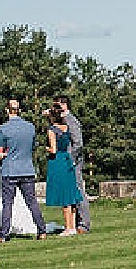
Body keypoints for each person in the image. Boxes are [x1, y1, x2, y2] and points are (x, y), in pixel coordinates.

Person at [0, 98, 46, 241]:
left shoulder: (3, 129)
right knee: (32, 202)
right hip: (27, 169)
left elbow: (0, 150)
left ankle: (3, 234)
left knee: (7, 204)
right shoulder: (30, 127)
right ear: (19, 110)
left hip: (10, 169)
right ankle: (42, 230)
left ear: (7, 110)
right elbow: (32, 146)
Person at [43, 103, 84, 235]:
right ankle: (72, 225)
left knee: (64, 196)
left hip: (58, 161)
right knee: (70, 194)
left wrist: (46, 149)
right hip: (67, 159)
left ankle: (68, 227)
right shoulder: (66, 127)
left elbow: (53, 150)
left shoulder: (51, 129)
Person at [57, 96, 90, 233]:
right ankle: (74, 223)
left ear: (64, 105)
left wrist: (70, 158)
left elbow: (78, 143)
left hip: (73, 161)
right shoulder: (63, 120)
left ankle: (84, 224)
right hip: (65, 160)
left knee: (78, 190)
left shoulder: (71, 120)